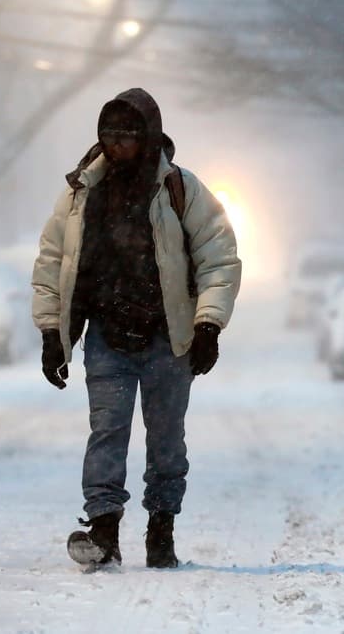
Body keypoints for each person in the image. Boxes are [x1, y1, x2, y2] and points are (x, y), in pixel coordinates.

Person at [31, 87, 241, 569]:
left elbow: (219, 258)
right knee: (107, 432)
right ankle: (103, 531)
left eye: (127, 134)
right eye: (108, 133)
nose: (116, 144)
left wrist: (208, 325)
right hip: (107, 336)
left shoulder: (179, 189)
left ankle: (161, 529)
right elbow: (52, 262)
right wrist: (51, 332)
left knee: (166, 437)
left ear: (148, 137)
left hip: (169, 339)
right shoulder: (82, 193)